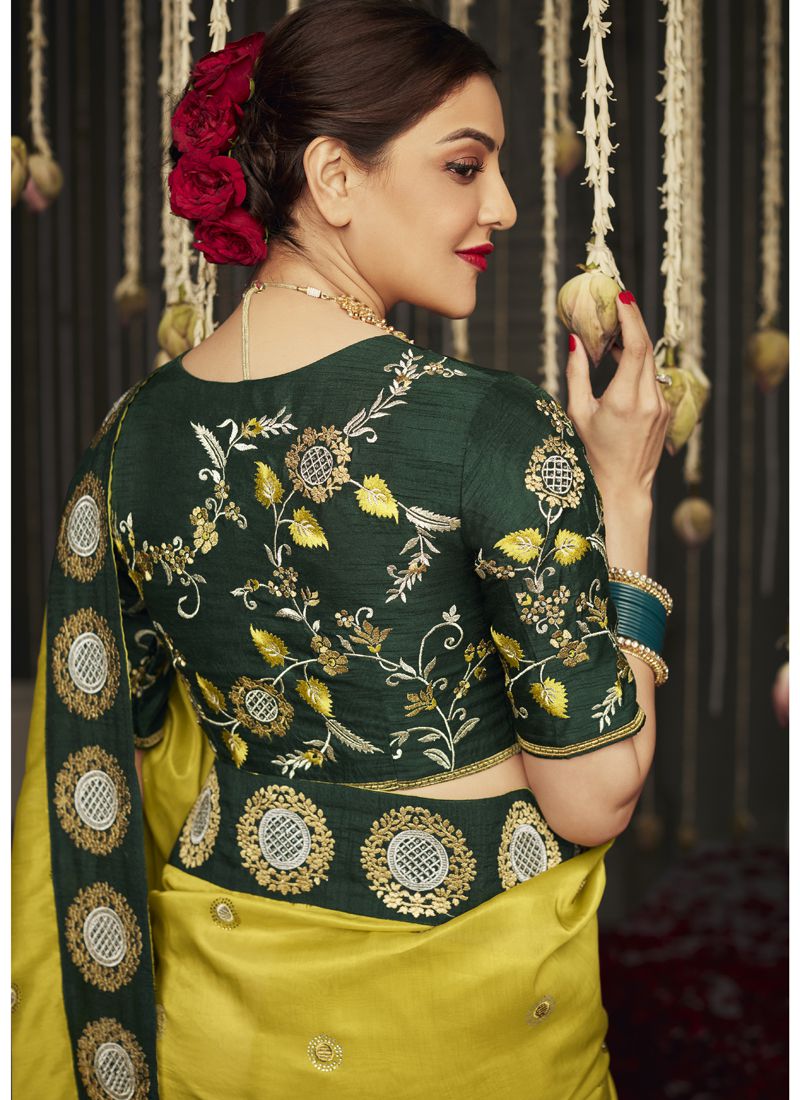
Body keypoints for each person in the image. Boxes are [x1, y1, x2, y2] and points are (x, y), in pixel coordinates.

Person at [11, 2, 672, 1097]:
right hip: (469, 1023)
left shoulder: (132, 436)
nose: (503, 206)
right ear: (332, 177)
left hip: (221, 1015)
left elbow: (115, 755)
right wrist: (627, 499)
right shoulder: (493, 425)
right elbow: (594, 796)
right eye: (464, 166)